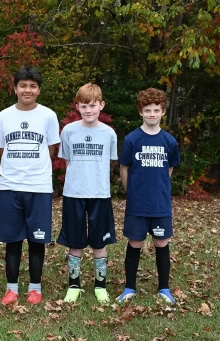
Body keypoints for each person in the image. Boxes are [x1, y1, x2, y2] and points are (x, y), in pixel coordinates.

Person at [0, 66, 60, 305]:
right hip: (10, 185)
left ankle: (35, 288)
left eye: (32, 86)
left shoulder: (48, 116)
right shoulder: (3, 116)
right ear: (15, 88)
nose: (27, 90)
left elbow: (51, 149)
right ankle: (11, 289)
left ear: (39, 90)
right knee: (13, 239)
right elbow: (2, 150)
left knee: (37, 240)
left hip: (39, 186)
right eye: (23, 85)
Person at [117, 88, 180, 304]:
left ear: (163, 111)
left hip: (160, 204)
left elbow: (169, 169)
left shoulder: (169, 141)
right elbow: (124, 168)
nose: (152, 114)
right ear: (140, 112)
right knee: (135, 243)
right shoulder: (132, 139)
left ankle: (164, 288)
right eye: (147, 110)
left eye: (156, 110)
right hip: (138, 204)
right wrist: (131, 191)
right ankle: (129, 288)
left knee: (161, 243)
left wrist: (159, 188)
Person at [56, 83, 118, 303]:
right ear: (77, 106)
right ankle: (74, 284)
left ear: (101, 105)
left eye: (93, 105)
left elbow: (109, 163)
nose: (88, 110)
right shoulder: (69, 130)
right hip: (74, 192)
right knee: (75, 240)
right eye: (84, 106)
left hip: (100, 193)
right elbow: (68, 159)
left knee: (99, 242)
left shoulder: (109, 133)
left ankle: (100, 286)